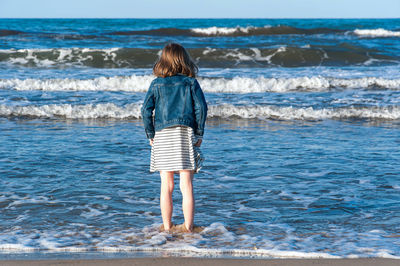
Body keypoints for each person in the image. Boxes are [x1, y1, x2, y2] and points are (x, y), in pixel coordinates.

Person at [141, 43, 208, 233]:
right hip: (184, 133)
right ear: (184, 60)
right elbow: (201, 108)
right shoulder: (190, 82)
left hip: (162, 134)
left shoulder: (156, 84)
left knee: (166, 185)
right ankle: (188, 226)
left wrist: (151, 134)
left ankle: (168, 226)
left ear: (163, 60)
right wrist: (199, 132)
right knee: (186, 185)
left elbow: (145, 110)